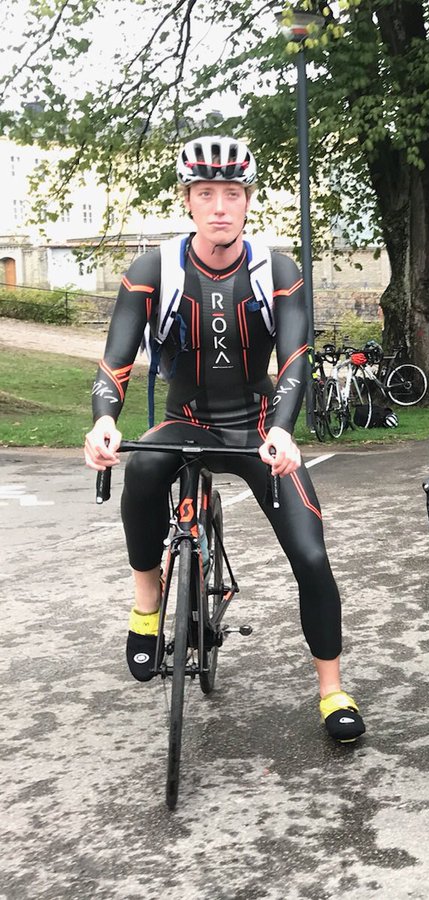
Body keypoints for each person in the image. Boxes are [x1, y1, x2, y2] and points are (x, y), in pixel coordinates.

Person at [82, 136, 365, 743]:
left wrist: (285, 432)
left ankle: (332, 690)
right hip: (187, 419)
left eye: (230, 194)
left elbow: (295, 359)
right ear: (188, 201)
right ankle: (146, 609)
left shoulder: (276, 268)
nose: (218, 207)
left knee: (312, 556)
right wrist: (105, 420)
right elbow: (115, 361)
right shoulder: (155, 268)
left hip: (259, 424)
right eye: (205, 193)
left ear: (247, 202)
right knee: (143, 469)